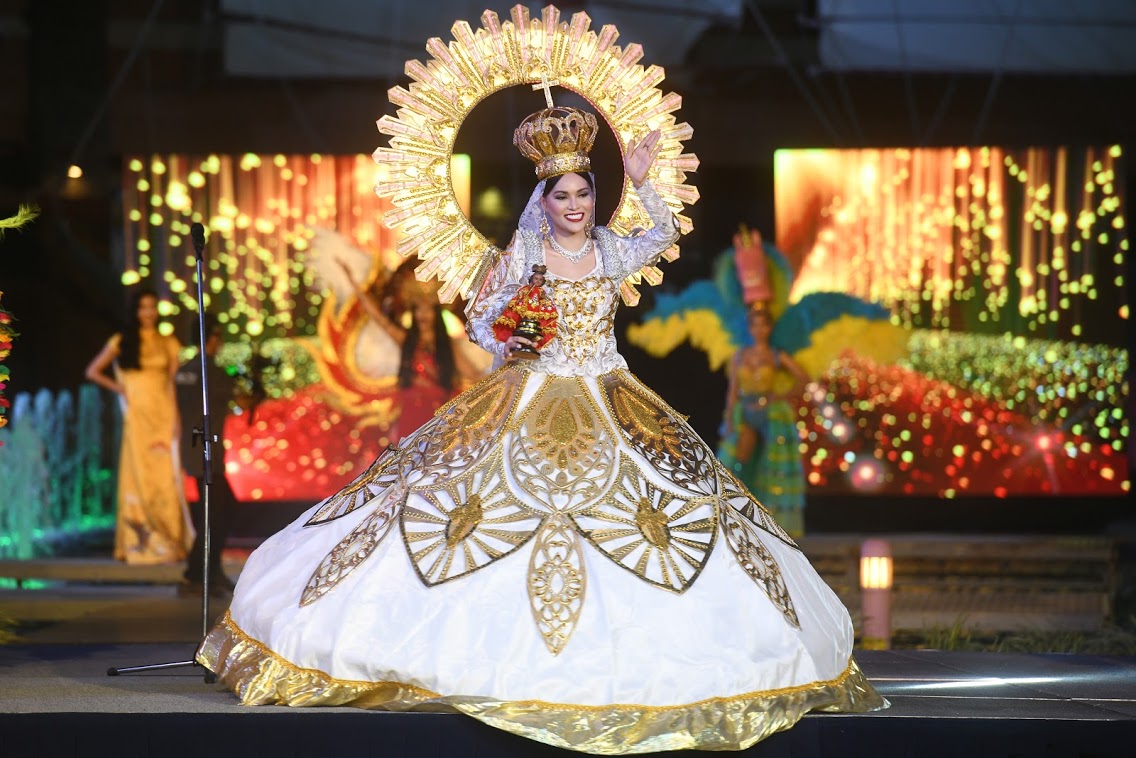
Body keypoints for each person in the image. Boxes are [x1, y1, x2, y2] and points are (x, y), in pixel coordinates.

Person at [198, 105, 884, 753]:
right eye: (562, 196)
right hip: (526, 397)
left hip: (609, 399)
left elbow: (663, 235)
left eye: (584, 193)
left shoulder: (610, 250)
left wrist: (641, 183)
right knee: (472, 513)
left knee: (645, 521)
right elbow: (479, 319)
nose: (575, 205)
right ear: (544, 202)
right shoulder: (524, 254)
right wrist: (513, 336)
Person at [85, 288, 192, 565]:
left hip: (163, 415)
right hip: (137, 417)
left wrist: (177, 420)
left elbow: (174, 385)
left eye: (152, 307)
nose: (148, 312)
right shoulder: (122, 341)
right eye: (143, 307)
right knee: (138, 476)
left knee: (166, 479)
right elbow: (93, 371)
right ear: (135, 311)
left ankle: (170, 543)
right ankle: (139, 544)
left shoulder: (169, 342)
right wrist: (121, 389)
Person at [722, 303, 810, 537]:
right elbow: (733, 390)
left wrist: (780, 396)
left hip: (770, 413)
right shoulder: (740, 356)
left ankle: (771, 522)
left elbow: (803, 378)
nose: (759, 330)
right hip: (745, 412)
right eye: (755, 325)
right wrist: (729, 419)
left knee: (773, 466)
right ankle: (737, 512)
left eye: (763, 325)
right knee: (738, 463)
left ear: (770, 328)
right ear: (749, 328)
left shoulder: (776, 355)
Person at [175, 315, 238, 596]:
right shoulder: (212, 371)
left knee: (217, 511)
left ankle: (205, 573)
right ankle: (200, 575)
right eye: (218, 337)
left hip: (192, 450)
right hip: (208, 453)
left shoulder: (184, 371)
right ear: (212, 338)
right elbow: (238, 398)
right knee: (217, 512)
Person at [491, 263, 558, 356]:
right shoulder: (526, 289)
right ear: (531, 279)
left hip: (536, 312)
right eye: (536, 278)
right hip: (525, 312)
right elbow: (520, 296)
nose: (538, 281)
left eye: (540, 280)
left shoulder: (541, 291)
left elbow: (544, 300)